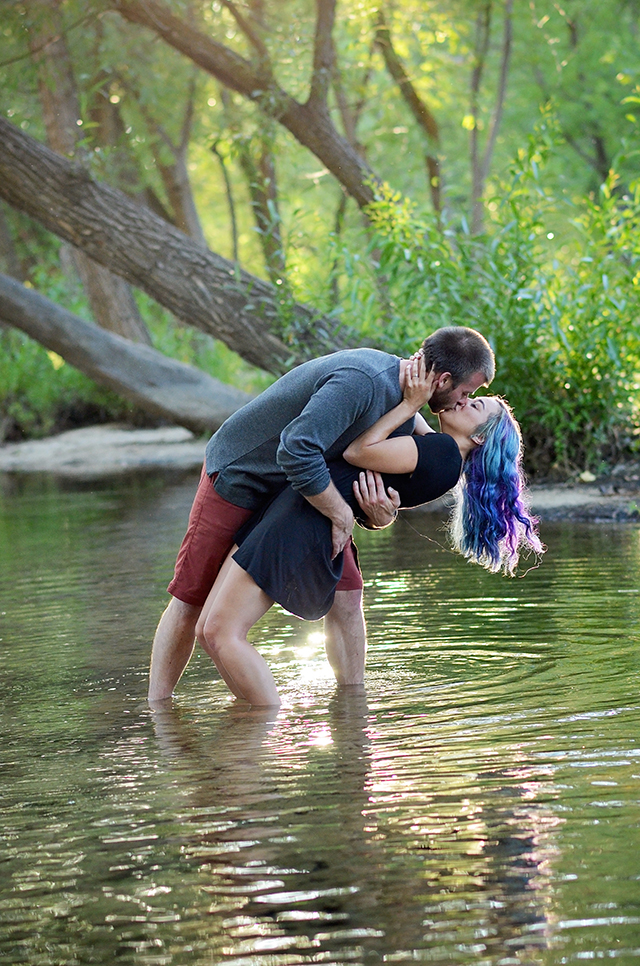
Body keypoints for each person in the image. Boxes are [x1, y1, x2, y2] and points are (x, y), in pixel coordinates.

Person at [149, 326, 496, 702]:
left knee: (346, 596)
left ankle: (352, 709)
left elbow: (414, 462)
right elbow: (296, 450)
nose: (463, 400)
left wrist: (383, 515)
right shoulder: (363, 381)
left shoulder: (407, 403)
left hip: (302, 493)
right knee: (191, 598)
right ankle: (158, 709)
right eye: (467, 393)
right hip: (243, 475)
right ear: (443, 380)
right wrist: (342, 517)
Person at [194, 358, 543, 707]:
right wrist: (419, 389)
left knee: (220, 633)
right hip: (294, 512)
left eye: (476, 404)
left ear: (480, 436)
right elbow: (382, 482)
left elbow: (358, 451)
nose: (464, 400)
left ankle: (263, 730)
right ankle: (260, 725)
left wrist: (410, 403)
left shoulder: (444, 454)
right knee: (210, 631)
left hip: (302, 523)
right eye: (469, 395)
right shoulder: (438, 452)